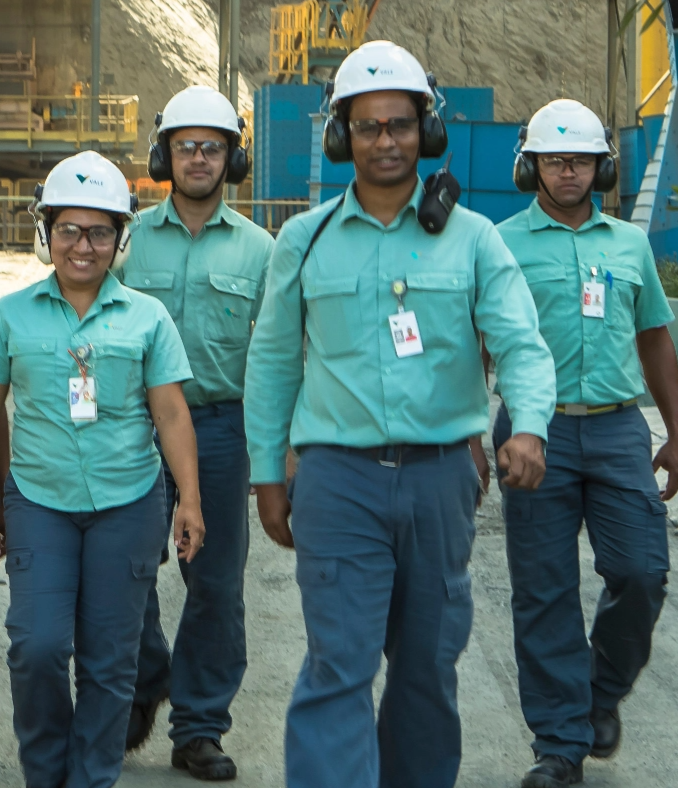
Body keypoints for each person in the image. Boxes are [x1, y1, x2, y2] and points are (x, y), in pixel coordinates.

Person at [244, 40, 557, 788]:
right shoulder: (303, 240)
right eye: (367, 126)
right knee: (338, 668)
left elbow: (521, 343)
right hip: (337, 480)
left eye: (401, 125)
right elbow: (274, 364)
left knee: (425, 671)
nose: (386, 140)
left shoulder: (474, 239)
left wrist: (533, 425)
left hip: (441, 482)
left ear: (427, 132)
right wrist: (266, 475)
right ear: (340, 137)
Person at [0, 151, 208, 788]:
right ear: (45, 234)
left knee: (109, 663)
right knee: (37, 647)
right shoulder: (8, 315)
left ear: (119, 239)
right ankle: (46, 772)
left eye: (100, 231)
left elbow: (173, 415)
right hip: (38, 503)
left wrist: (190, 499)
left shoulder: (148, 318)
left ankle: (92, 776)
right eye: (68, 229)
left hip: (128, 506)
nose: (83, 245)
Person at [492, 98, 678, 788]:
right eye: (554, 159)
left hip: (616, 427)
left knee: (642, 571)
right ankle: (559, 744)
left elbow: (655, 336)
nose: (568, 170)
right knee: (544, 591)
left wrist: (677, 431)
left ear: (602, 167)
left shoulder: (629, 245)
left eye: (580, 160)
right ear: (533, 167)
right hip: (530, 430)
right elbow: (473, 345)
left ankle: (600, 693)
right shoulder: (501, 243)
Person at [114, 84, 276, 782]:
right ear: (164, 155)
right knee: (125, 571)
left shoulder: (262, 250)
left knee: (213, 582)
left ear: (232, 159)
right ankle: (151, 673)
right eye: (187, 147)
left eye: (213, 148)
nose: (200, 159)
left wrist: (278, 451)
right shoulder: (124, 237)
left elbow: (274, 359)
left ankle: (199, 726)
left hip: (220, 426)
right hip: (130, 429)